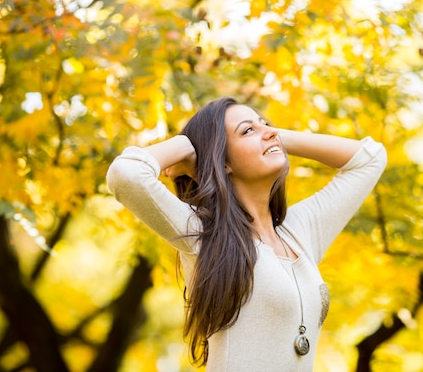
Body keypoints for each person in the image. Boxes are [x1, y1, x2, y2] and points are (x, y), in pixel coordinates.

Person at [106, 96, 387, 372]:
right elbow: (125, 175)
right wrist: (188, 147)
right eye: (248, 130)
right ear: (223, 161)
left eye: (265, 123)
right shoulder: (203, 234)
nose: (268, 131)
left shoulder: (299, 231)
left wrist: (272, 136)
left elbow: (370, 159)